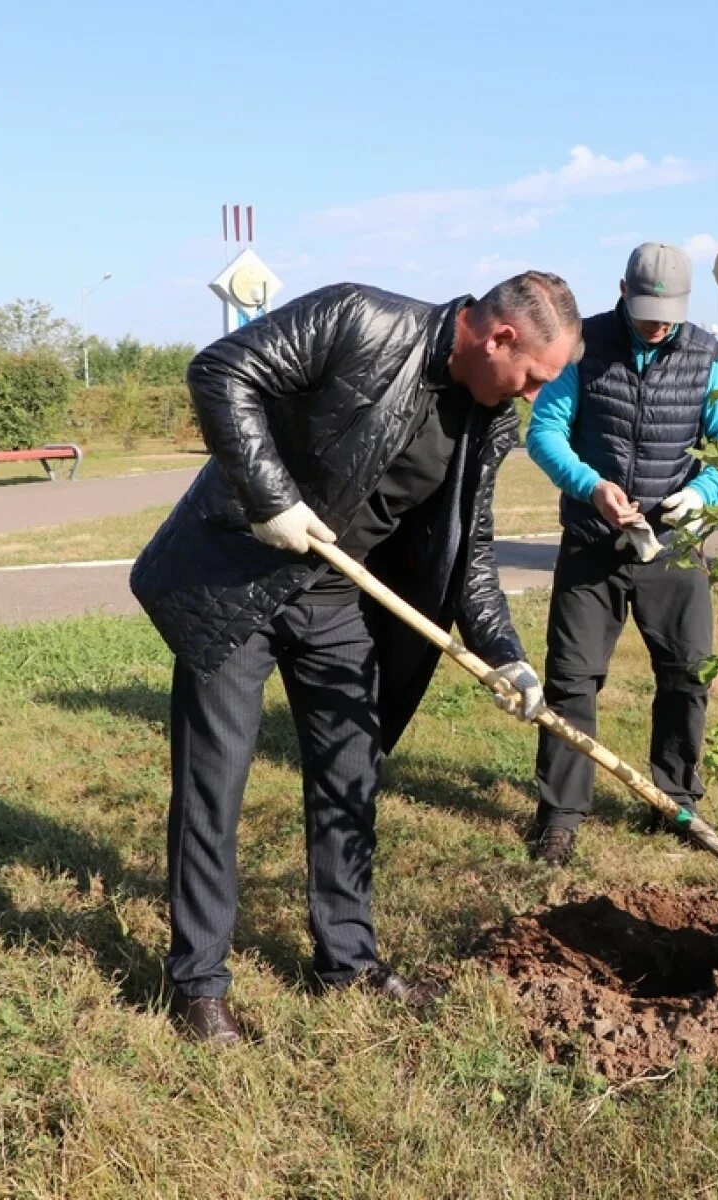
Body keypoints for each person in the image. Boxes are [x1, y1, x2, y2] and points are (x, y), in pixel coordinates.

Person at [130, 272, 581, 1044]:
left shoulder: (486, 420)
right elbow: (220, 369)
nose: (532, 396)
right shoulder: (360, 319)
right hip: (240, 581)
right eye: (533, 378)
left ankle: (347, 961)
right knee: (215, 785)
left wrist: (505, 654)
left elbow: (467, 550)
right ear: (498, 338)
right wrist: (270, 498)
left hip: (338, 600)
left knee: (351, 779)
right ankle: (198, 981)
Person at [523, 243, 718, 865]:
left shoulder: (706, 356)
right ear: (622, 290)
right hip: (593, 542)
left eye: (668, 312)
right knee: (571, 681)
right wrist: (590, 487)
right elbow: (543, 432)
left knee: (686, 674)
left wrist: (701, 495)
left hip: (673, 549)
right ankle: (561, 816)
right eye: (647, 310)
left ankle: (674, 800)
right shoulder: (586, 347)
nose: (657, 324)